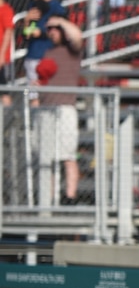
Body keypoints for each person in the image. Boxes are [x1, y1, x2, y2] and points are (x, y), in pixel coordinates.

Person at [31, 13, 83, 205]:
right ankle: (48, 197)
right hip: (46, 109)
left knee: (68, 156)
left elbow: (77, 36)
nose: (51, 32)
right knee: (47, 158)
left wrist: (60, 21)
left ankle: (70, 197)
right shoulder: (47, 53)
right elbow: (43, 80)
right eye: (49, 29)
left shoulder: (72, 50)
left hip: (65, 109)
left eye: (55, 29)